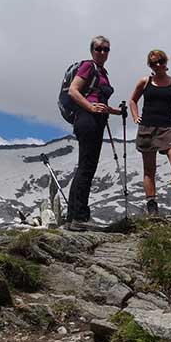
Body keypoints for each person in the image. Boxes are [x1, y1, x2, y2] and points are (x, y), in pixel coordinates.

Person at [66, 36, 124, 230]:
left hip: (94, 119)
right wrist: (90, 108)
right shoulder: (88, 67)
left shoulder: (102, 72)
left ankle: (72, 216)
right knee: (87, 167)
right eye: (99, 48)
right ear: (92, 50)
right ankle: (80, 217)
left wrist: (116, 111)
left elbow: (100, 103)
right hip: (87, 118)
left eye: (106, 49)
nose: (102, 52)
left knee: (84, 165)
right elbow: (73, 91)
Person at [129, 49, 171, 218]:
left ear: (166, 62)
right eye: (154, 63)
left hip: (168, 128)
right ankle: (152, 207)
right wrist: (136, 117)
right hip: (147, 128)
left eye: (161, 61)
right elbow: (133, 100)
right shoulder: (145, 81)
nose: (158, 65)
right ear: (150, 66)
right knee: (149, 169)